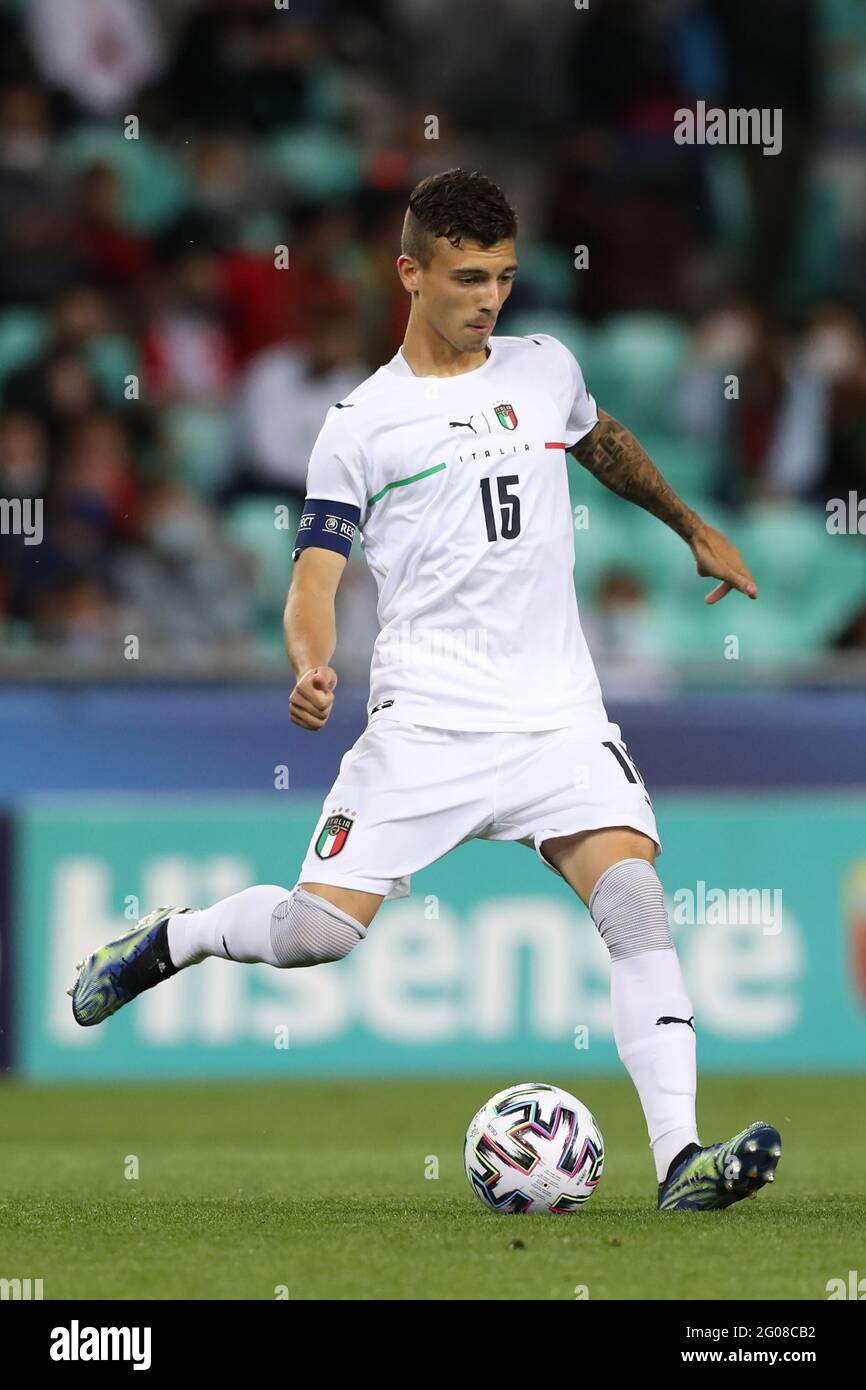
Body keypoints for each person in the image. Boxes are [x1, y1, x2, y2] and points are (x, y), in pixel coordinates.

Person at [69, 168, 781, 1212]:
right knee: (316, 934)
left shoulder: (544, 367)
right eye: (463, 278)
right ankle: (169, 939)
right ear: (408, 273)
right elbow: (314, 575)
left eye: (499, 276)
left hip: (555, 716)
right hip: (429, 723)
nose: (486, 298)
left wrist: (690, 527)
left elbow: (603, 443)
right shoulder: (363, 423)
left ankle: (681, 1162)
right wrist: (311, 660)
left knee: (633, 902)